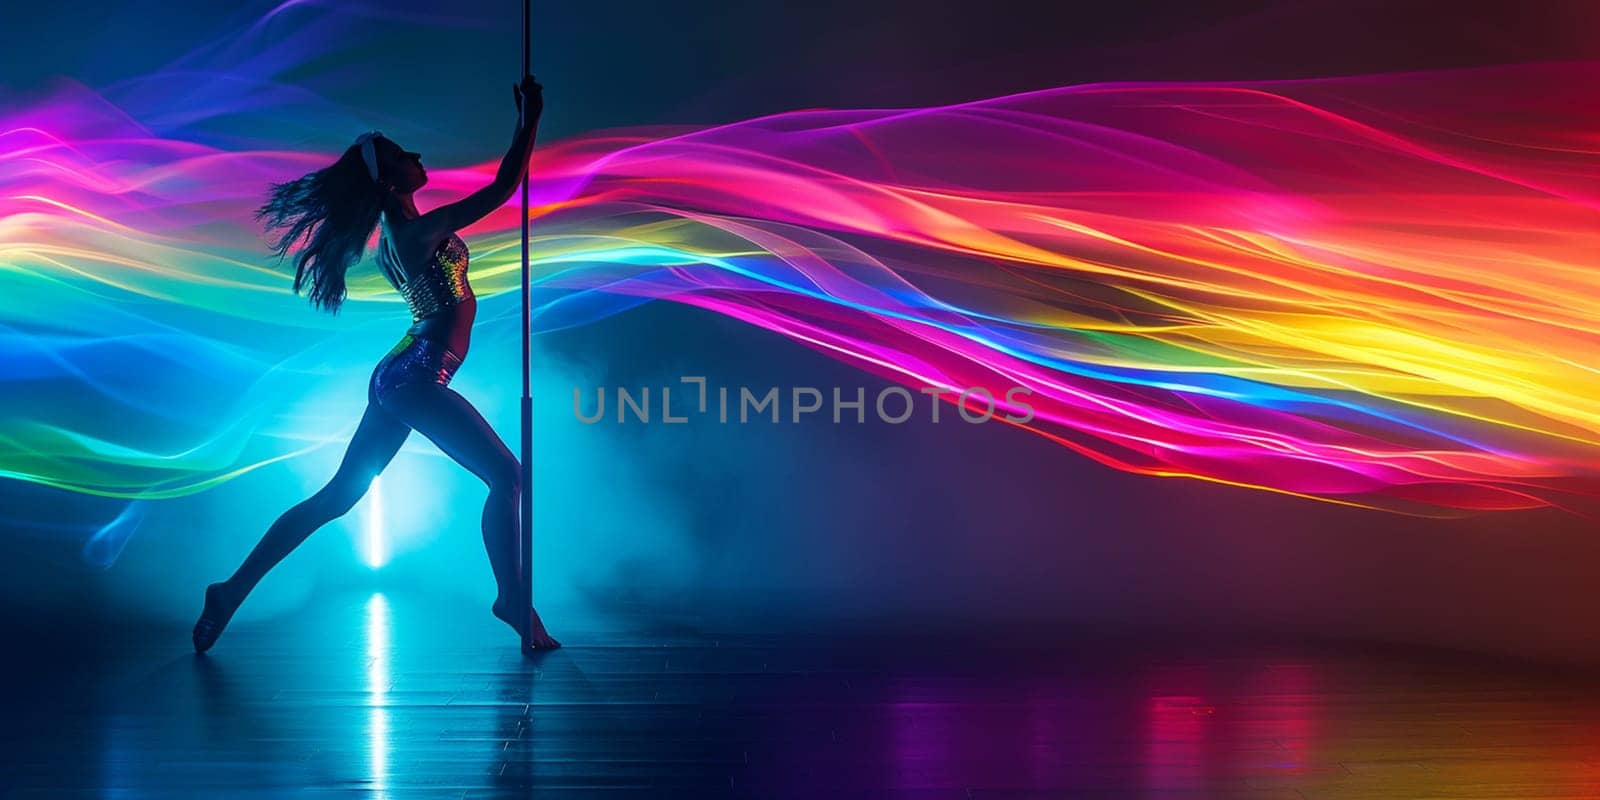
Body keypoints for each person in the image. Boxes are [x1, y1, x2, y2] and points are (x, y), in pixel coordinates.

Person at [192, 74, 559, 653]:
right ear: (387, 177)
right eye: (399, 153)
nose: (415, 156)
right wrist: (529, 117)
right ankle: (511, 596)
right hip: (414, 375)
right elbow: (503, 189)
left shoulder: (405, 228)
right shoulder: (413, 231)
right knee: (507, 477)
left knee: (337, 496)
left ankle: (230, 590)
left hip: (404, 372)